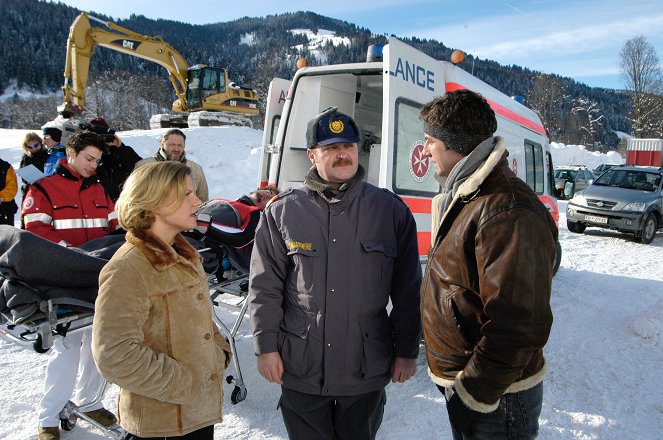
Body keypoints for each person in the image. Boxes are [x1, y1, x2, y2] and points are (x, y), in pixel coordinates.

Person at [248, 107, 422, 440]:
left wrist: (407, 351)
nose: (342, 154)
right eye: (330, 148)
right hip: (302, 365)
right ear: (312, 155)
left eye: (349, 146)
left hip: (365, 366)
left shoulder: (391, 211)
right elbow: (264, 287)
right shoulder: (283, 211)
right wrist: (265, 348)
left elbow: (407, 290)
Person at [419, 90, 557, 440]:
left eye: (430, 141)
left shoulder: (506, 209)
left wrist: (474, 395)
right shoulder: (471, 194)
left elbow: (519, 323)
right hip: (480, 386)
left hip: (498, 398)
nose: (425, 150)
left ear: (454, 144)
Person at [92, 161, 232, 440]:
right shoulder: (128, 268)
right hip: (162, 423)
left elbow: (200, 320)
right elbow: (114, 355)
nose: (199, 201)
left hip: (196, 413)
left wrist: (218, 352)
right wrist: (182, 383)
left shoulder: (186, 255)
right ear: (154, 202)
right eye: (187, 195)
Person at [20, 131, 119, 440]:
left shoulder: (101, 191)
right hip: (63, 281)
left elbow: (116, 227)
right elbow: (35, 234)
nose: (94, 165)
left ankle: (90, 401)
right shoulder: (44, 189)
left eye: (98, 160)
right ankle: (49, 417)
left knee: (97, 345)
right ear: (71, 153)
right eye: (89, 158)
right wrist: (73, 256)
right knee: (66, 351)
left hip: (98, 280)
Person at [195, 188, 277, 274]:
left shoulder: (257, 213)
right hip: (190, 231)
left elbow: (241, 239)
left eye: (271, 198)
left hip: (202, 244)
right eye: (269, 192)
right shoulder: (220, 200)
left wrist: (208, 226)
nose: (268, 195)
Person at [134, 128, 209, 201]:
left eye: (180, 145)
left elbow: (203, 201)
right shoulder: (143, 166)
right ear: (162, 144)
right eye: (172, 144)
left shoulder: (195, 168)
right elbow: (134, 199)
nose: (176, 149)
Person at [85, 117, 142, 202]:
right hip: (99, 204)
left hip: (122, 202)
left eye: (103, 136)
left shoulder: (118, 151)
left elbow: (140, 168)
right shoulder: (86, 156)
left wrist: (121, 147)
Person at [18, 132, 49, 201]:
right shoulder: (26, 157)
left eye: (36, 145)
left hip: (45, 190)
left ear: (40, 143)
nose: (34, 148)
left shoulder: (47, 155)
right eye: (30, 147)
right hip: (30, 191)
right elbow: (23, 174)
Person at [0, 157, 18, 226]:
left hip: (5, 210)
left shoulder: (6, 167)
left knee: (7, 236)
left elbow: (12, 187)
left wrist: (1, 196)